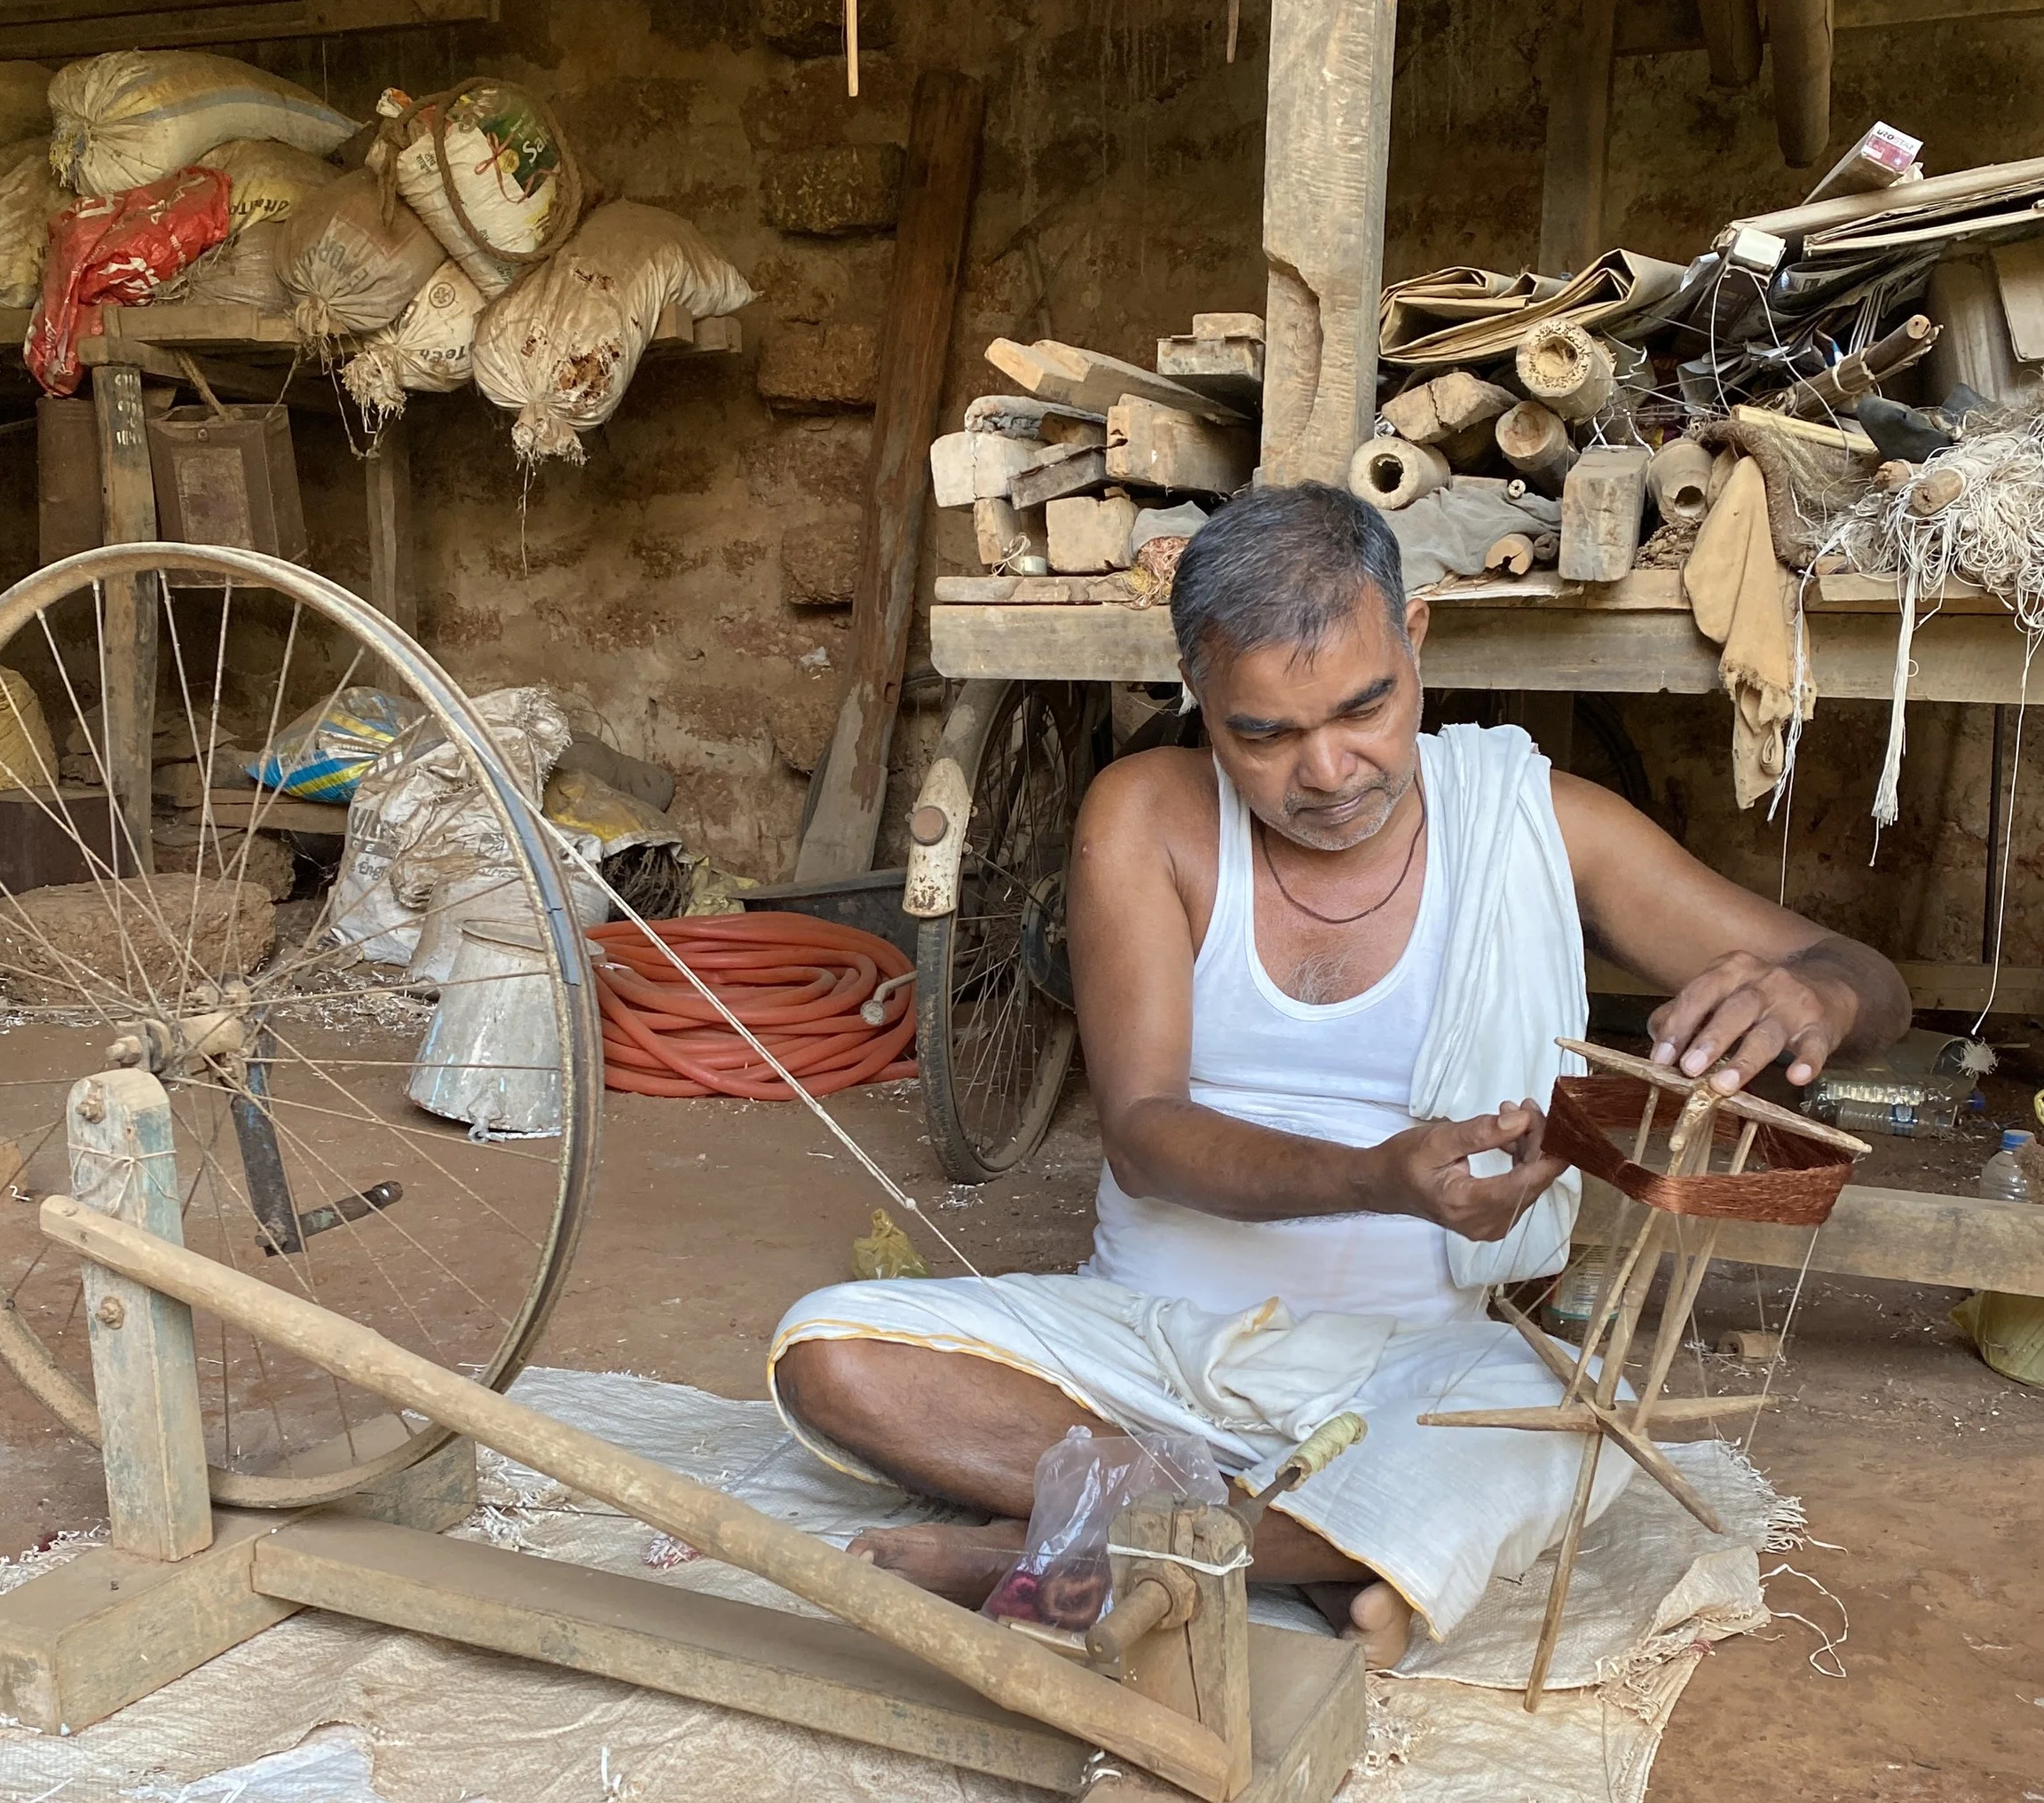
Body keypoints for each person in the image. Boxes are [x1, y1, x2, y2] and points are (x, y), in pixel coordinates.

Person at [770, 482, 1907, 1666]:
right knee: (830, 1355)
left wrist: (1814, 996)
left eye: (1365, 709)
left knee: (1579, 1429)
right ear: (1199, 702)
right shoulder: (1149, 814)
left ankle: (1074, 1543)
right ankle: (1321, 1541)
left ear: (1413, 643)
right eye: (1263, 733)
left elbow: (1861, 980)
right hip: (1143, 1348)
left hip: (1410, 1361)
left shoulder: (1541, 822)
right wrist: (1377, 1175)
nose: (1328, 771)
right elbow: (1147, 1129)